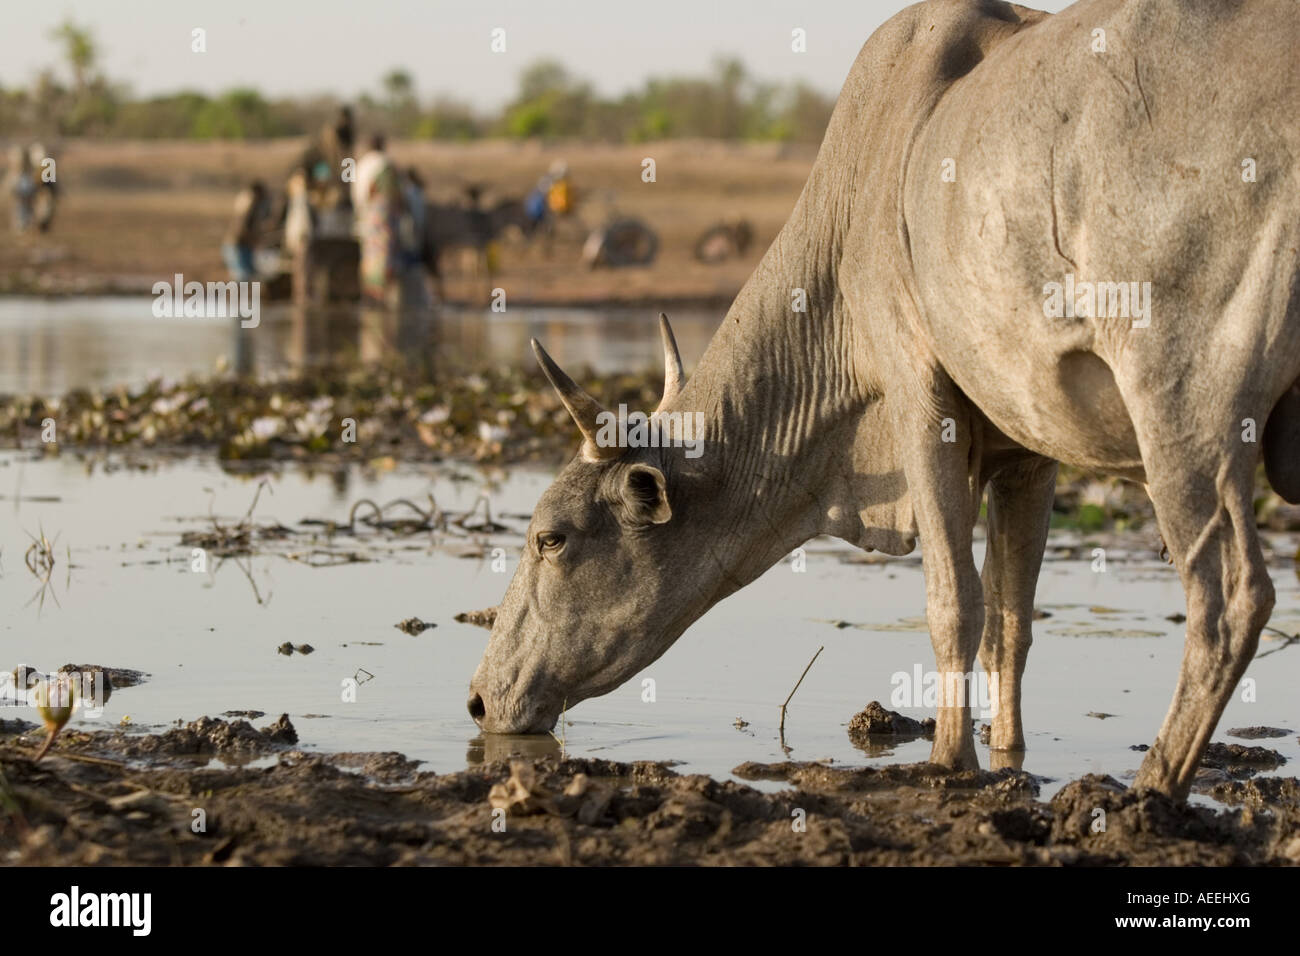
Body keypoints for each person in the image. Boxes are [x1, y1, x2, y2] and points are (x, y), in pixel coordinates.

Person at [222, 180, 270, 281]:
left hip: (240, 245)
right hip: (238, 246)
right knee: (243, 277)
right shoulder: (250, 207)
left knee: (245, 277)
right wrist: (254, 240)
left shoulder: (245, 205)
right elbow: (242, 229)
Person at [8, 146, 36, 234]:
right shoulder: (21, 175)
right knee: (22, 208)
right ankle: (22, 225)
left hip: (25, 193)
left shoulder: (27, 175)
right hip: (23, 194)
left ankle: (24, 224)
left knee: (25, 208)